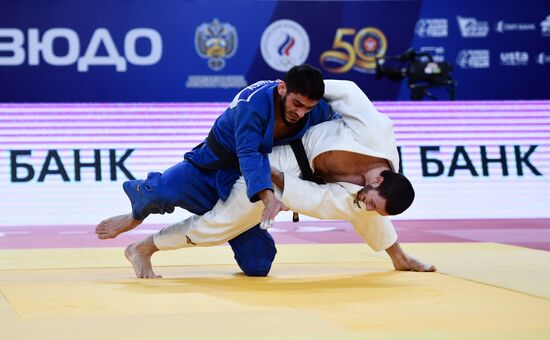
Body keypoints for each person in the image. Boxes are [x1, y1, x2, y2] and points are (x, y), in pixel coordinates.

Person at [98, 80, 436, 278]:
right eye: (372, 202)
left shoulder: (362, 201)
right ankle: (149, 220)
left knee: (238, 243)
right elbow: (347, 90)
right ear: (378, 181)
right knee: (208, 183)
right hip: (275, 148)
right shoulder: (375, 132)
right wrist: (296, 89)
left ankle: (144, 245)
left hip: (282, 174)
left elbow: (345, 209)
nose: (366, 207)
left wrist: (397, 256)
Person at [96, 64, 336, 246]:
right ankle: (136, 212)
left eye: (308, 108)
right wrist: (268, 197)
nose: (301, 113)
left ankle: (224, 220)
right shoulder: (253, 103)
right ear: (282, 87)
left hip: (241, 182)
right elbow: (250, 152)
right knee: (161, 191)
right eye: (297, 103)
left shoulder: (316, 111)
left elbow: (339, 127)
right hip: (210, 165)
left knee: (258, 265)